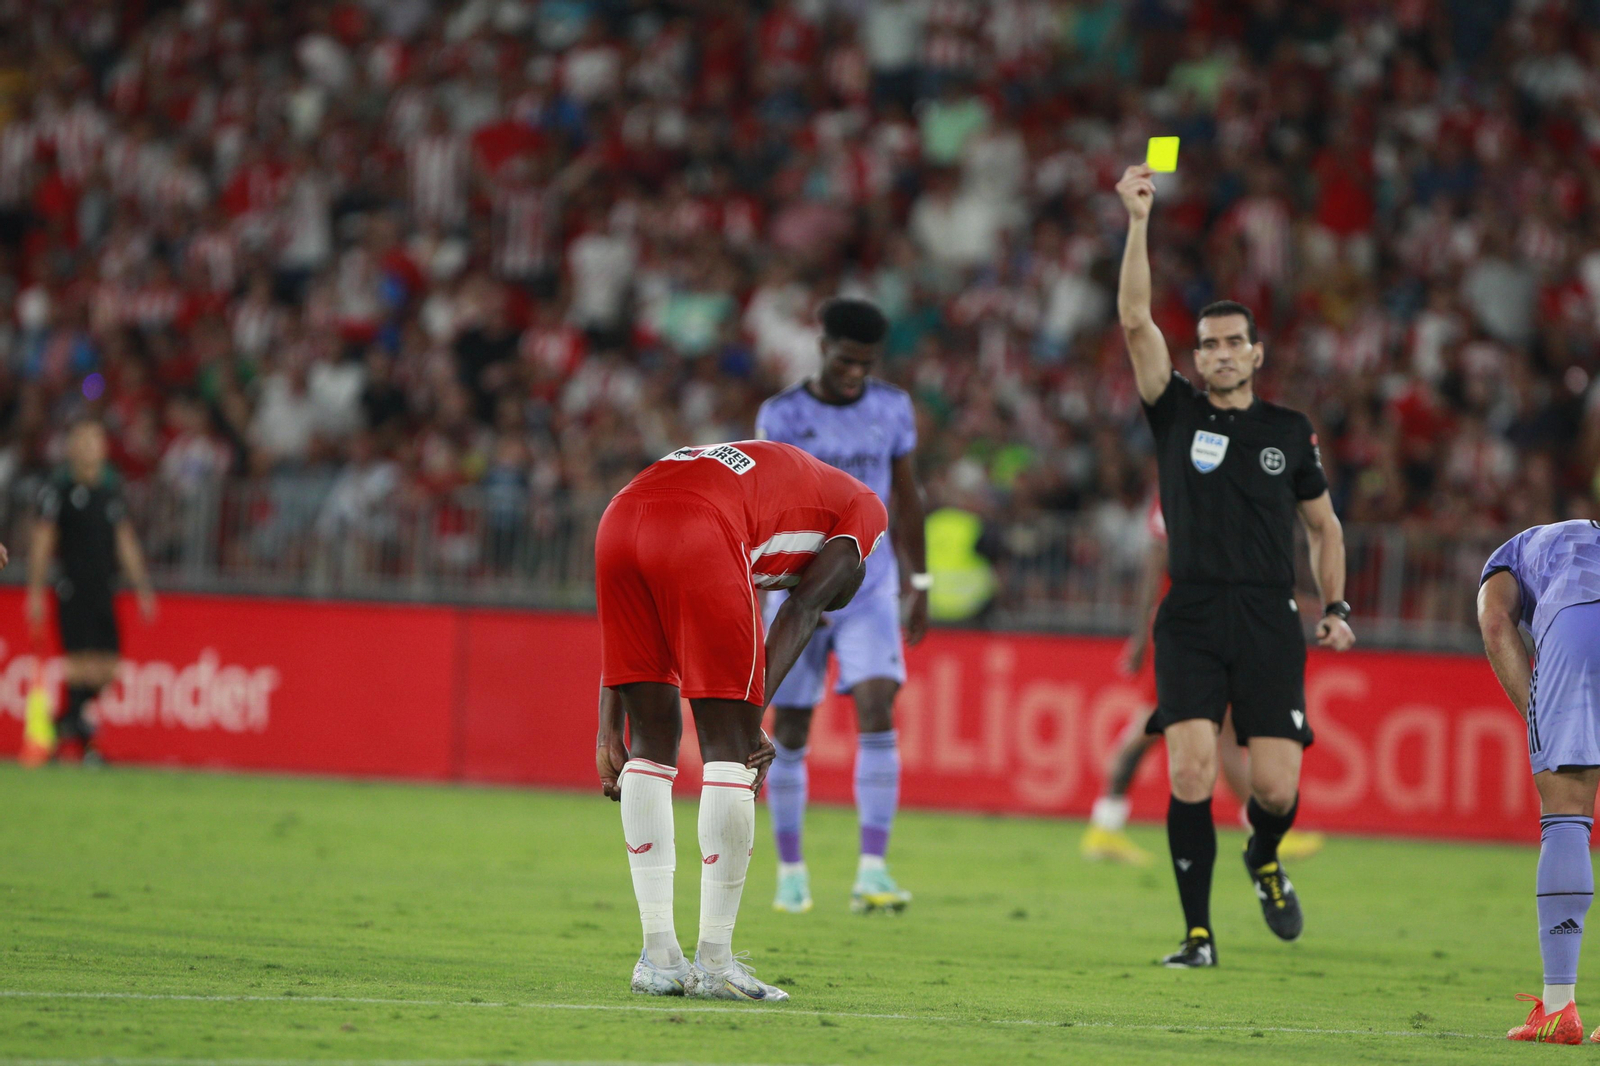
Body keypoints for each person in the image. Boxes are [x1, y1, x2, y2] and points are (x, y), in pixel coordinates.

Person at [1115, 163, 1355, 968]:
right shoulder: (1175, 412)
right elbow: (1135, 317)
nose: (1218, 354)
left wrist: (1338, 605)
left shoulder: (1291, 431)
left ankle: (1263, 857)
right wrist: (1139, 220)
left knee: (1276, 791)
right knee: (1187, 771)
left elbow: (1325, 528)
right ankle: (1197, 934)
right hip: (1190, 615)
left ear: (1256, 353)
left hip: (1267, 617)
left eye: (1231, 343)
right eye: (1207, 344)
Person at [594, 438, 888, 1001]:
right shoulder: (866, 514)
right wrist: (751, 720)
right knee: (730, 753)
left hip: (620, 515)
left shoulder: (783, 486)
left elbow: (629, 642)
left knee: (650, 740)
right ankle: (715, 962)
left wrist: (608, 726)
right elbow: (803, 607)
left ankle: (658, 958)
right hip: (702, 526)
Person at [755, 297, 928, 916]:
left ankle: (873, 871)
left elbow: (907, 497)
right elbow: (767, 508)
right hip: (800, 592)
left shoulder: (892, 408)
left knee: (879, 706)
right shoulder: (781, 415)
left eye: (866, 362)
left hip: (871, 586)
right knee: (793, 729)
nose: (856, 372)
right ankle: (792, 873)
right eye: (846, 360)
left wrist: (920, 583)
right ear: (822, 346)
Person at [1082, 496, 1325, 865]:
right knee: (1149, 727)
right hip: (1179, 633)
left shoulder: (1210, 488)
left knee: (1221, 732)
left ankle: (1263, 830)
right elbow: (1155, 560)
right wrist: (1140, 637)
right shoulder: (1175, 489)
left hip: (1209, 632)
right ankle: (1104, 825)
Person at [1479, 520, 1600, 1044]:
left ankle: (1558, 1009)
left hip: (1576, 621)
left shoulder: (1507, 558)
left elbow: (1496, 623)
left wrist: (1537, 714)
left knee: (1567, 810)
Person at [27, 418, 157, 765]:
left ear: (104, 448)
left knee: (109, 669)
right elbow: (43, 540)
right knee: (79, 663)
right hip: (72, 587)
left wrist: (142, 588)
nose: (88, 447)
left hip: (104, 589)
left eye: (94, 441)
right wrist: (36, 591)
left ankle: (65, 725)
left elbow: (125, 541)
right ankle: (85, 743)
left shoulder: (111, 491)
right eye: (82, 441)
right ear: (71, 448)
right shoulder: (59, 490)